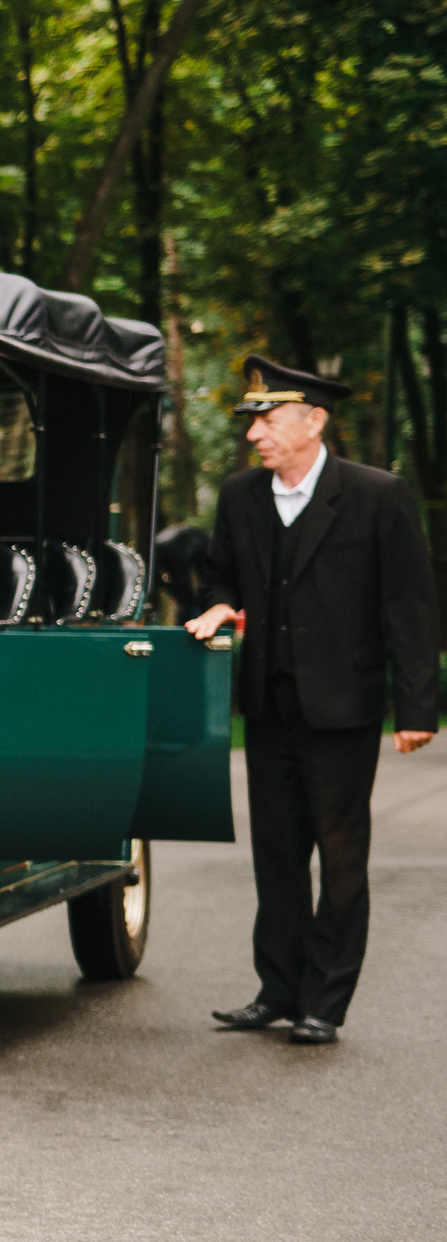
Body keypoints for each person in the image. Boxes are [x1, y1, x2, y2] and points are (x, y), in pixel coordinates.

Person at [182, 356, 437, 1045]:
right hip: (269, 705)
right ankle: (278, 989)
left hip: (343, 709)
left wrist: (416, 709)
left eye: (267, 418)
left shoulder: (378, 495)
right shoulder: (240, 496)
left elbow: (410, 607)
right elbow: (218, 577)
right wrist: (219, 606)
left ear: (314, 418)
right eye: (252, 420)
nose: (254, 434)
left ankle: (325, 1000)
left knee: (341, 856)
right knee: (277, 855)